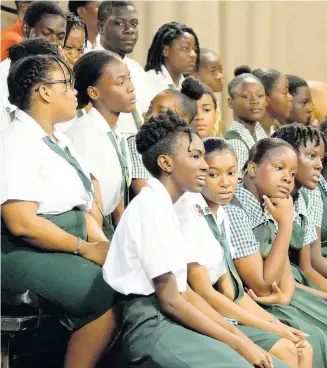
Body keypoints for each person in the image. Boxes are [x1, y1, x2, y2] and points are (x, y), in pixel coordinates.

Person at [102, 111, 289, 368]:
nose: (203, 165)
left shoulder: (167, 206)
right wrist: (240, 343)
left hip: (173, 315)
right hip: (153, 326)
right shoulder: (150, 207)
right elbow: (172, 301)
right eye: (194, 156)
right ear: (166, 163)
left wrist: (238, 336)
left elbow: (186, 294)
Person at [1, 53, 119, 368]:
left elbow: (85, 208)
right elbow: (21, 222)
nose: (74, 91)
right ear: (43, 92)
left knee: (130, 278)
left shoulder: (61, 140)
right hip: (20, 249)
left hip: (68, 240)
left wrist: (101, 244)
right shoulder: (17, 141)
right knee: (104, 292)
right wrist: (85, 248)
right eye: (65, 84)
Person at [175, 137, 313, 368]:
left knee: (304, 347)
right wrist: (273, 327)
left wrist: (275, 323)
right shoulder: (189, 213)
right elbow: (206, 295)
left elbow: (231, 291)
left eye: (230, 173)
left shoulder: (221, 214)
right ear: (199, 174)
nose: (226, 183)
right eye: (213, 174)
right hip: (205, 314)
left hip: (227, 308)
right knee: (287, 349)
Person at [223, 138, 327, 367]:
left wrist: (285, 295)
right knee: (314, 337)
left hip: (274, 297)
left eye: (292, 173)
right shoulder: (235, 209)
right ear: (252, 168)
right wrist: (286, 223)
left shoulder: (270, 204)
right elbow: (261, 285)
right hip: (247, 302)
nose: (287, 178)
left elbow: (285, 277)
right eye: (279, 168)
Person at [66, 50, 134, 240]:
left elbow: (119, 196)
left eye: (130, 79)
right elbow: (89, 208)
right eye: (120, 83)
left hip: (108, 228)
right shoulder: (85, 135)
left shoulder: (116, 132)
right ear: (94, 92)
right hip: (87, 233)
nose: (131, 88)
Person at [272, 124, 327, 292]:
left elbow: (307, 267)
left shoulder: (303, 196)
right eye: (311, 156)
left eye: (321, 159)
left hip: (298, 282)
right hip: (277, 287)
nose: (320, 166)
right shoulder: (272, 197)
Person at [128, 77, 204, 195]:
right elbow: (142, 190)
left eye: (161, 113)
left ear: (183, 122)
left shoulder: (190, 148)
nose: (149, 116)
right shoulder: (139, 143)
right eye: (150, 109)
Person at [0, 1, 67, 132]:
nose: (53, 42)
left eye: (60, 37)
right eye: (46, 33)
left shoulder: (58, 75)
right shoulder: (4, 75)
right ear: (26, 29)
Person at [97, 0, 152, 137]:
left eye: (134, 24)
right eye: (119, 23)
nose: (129, 30)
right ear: (100, 27)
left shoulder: (136, 69)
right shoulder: (89, 67)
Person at [224, 66, 268, 178]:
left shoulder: (261, 133)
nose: (255, 101)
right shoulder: (235, 143)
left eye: (260, 96)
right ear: (230, 103)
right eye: (246, 96)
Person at [144, 22, 200, 99]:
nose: (193, 55)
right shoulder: (148, 81)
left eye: (194, 50)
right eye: (186, 48)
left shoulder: (186, 85)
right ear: (165, 50)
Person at [248, 66, 293, 136]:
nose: (291, 97)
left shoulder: (274, 133)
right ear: (265, 98)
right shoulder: (247, 139)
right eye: (285, 92)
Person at [191, 48, 224, 136]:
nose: (220, 76)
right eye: (213, 71)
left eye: (220, 70)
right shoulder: (186, 100)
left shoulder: (214, 101)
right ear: (194, 75)